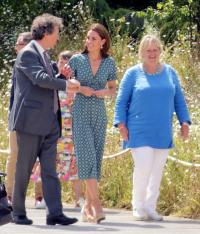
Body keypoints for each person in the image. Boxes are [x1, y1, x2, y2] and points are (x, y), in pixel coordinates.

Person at [8, 13, 80, 225]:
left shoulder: (44, 55)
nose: (58, 37)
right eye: (57, 33)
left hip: (49, 123)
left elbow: (47, 82)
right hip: (30, 123)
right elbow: (39, 80)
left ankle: (54, 213)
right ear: (47, 32)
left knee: (50, 171)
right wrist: (66, 84)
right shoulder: (28, 53)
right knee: (24, 168)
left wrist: (61, 77)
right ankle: (18, 213)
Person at [114, 34, 191, 221]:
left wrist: (185, 122)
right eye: (148, 50)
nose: (152, 53)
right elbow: (121, 101)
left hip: (162, 130)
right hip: (138, 130)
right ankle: (138, 206)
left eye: (156, 49)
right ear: (141, 52)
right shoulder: (133, 73)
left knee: (157, 171)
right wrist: (121, 124)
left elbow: (179, 100)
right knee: (143, 168)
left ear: (160, 51)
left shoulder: (170, 72)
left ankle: (150, 207)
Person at [68, 23, 117, 223]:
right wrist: (81, 89)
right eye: (87, 38)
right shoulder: (76, 60)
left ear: (103, 42)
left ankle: (87, 208)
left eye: (93, 39)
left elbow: (113, 88)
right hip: (80, 112)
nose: (89, 42)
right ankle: (97, 204)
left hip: (99, 113)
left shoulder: (109, 63)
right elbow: (65, 84)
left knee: (94, 160)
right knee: (86, 156)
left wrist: (103, 92)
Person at [31, 51, 85, 208]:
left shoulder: (78, 85)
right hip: (51, 131)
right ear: (58, 64)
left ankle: (79, 199)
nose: (65, 66)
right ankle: (41, 198)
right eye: (62, 63)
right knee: (46, 164)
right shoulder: (51, 82)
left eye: (69, 64)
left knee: (75, 165)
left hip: (72, 132)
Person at [5, 32, 45, 210]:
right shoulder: (17, 64)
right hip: (17, 118)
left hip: (36, 120)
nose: (15, 47)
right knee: (14, 156)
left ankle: (40, 196)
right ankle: (9, 196)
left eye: (18, 44)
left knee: (39, 157)